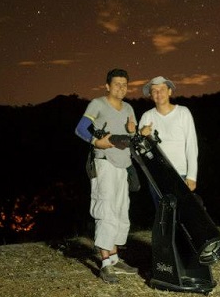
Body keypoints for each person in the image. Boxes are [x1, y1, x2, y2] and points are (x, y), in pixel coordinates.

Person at [74, 68, 139, 283]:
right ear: (108, 86)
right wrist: (96, 142)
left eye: (124, 84)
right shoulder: (98, 104)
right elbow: (81, 128)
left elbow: (130, 135)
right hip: (104, 163)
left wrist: (132, 130)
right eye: (117, 84)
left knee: (121, 212)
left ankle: (115, 258)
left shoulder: (129, 107)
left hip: (123, 165)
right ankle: (104, 264)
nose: (121, 88)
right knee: (106, 210)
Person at [139, 76, 199, 193]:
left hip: (180, 174)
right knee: (161, 211)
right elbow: (140, 151)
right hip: (157, 176)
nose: (158, 93)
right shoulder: (147, 116)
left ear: (170, 91)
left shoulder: (183, 112)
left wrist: (191, 176)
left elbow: (191, 145)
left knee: (182, 211)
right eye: (154, 91)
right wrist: (142, 135)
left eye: (162, 89)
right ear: (151, 95)